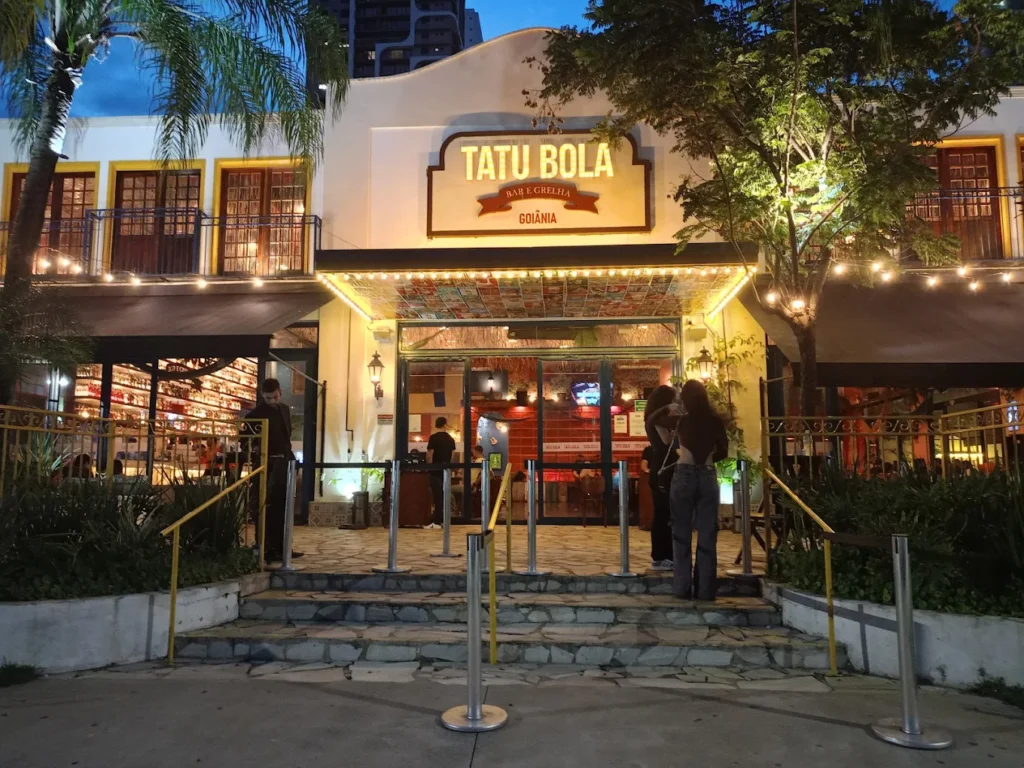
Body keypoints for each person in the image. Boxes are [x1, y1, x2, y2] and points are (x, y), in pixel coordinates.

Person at [670, 379, 729, 602]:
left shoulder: (683, 420)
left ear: (685, 399)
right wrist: (709, 459)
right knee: (707, 534)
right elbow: (724, 451)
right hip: (707, 473)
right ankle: (705, 590)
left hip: (684, 472)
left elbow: (653, 422)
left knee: (680, 533)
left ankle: (681, 588)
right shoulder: (715, 421)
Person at [244, 378, 302, 562]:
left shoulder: (284, 409)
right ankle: (266, 547)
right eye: (268, 398)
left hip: (284, 462)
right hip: (266, 464)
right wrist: (255, 448)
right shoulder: (255, 415)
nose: (272, 401)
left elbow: (286, 436)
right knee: (265, 508)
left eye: (275, 397)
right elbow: (245, 441)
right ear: (262, 395)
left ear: (280, 393)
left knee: (283, 506)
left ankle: (283, 548)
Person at [644, 384, 682, 572]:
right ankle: (660, 556)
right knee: (663, 514)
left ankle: (666, 555)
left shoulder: (656, 417)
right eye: (672, 400)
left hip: (663, 468)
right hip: (662, 470)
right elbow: (666, 441)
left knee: (665, 513)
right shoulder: (656, 419)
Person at [426, 416, 456, 529]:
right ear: (445, 425)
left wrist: (428, 467)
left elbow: (430, 455)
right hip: (446, 470)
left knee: (436, 496)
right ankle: (444, 519)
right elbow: (452, 456)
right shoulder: (450, 439)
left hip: (435, 470)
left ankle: (437, 521)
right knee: (444, 495)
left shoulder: (433, 438)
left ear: (436, 425)